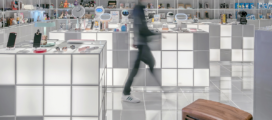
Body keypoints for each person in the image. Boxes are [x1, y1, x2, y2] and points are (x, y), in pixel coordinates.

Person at [122, 0, 160, 103]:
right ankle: (126, 94)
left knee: (141, 66)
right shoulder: (138, 9)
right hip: (142, 43)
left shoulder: (139, 9)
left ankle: (126, 93)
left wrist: (134, 39)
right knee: (148, 64)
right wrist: (155, 34)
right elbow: (142, 29)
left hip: (141, 43)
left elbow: (137, 27)